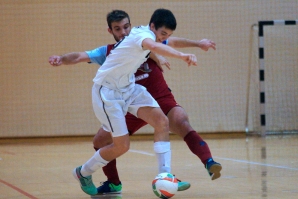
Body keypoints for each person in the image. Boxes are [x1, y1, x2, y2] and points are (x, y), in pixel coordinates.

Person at [49, 8, 197, 196]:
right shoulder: (143, 38)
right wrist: (182, 56)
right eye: (163, 35)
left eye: (126, 26)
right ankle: (83, 172)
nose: (165, 39)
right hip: (108, 92)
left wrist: (196, 44)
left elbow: (159, 46)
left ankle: (164, 175)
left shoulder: (143, 34)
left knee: (162, 121)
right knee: (122, 146)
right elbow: (156, 46)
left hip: (128, 86)